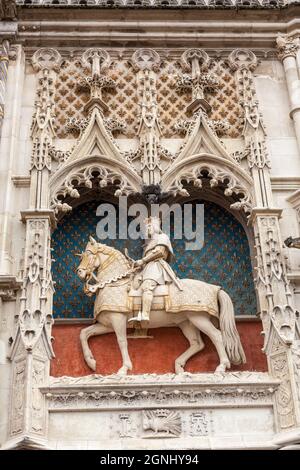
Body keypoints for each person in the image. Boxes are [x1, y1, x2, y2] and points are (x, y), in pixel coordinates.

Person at [129, 216, 182, 324]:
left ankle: (145, 315)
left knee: (147, 286)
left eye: (149, 226)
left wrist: (142, 260)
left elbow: (159, 252)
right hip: (147, 268)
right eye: (146, 227)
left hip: (156, 266)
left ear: (155, 226)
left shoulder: (162, 237)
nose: (147, 229)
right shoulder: (148, 243)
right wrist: (137, 265)